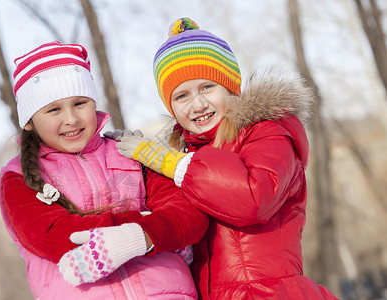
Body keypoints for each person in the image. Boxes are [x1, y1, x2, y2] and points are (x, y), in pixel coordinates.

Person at [78, 18, 339, 299]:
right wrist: (138, 167)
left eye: (206, 88)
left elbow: (254, 199)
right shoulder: (186, 155)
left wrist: (171, 164)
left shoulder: (269, 131)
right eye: (181, 96)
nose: (197, 105)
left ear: (229, 86)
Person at [0, 41, 208, 299]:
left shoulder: (131, 152)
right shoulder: (19, 178)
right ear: (29, 120)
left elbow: (187, 216)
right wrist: (152, 229)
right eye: (54, 110)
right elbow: (55, 236)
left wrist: (138, 237)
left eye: (80, 103)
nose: (72, 119)